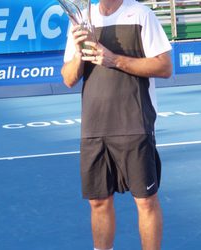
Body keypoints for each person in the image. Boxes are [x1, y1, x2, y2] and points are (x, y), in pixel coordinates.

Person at [61, 0, 172, 249]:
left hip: (134, 121)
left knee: (145, 201)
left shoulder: (141, 15)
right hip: (93, 126)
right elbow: (68, 78)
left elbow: (164, 67)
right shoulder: (80, 20)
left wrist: (113, 59)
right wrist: (80, 52)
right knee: (98, 202)